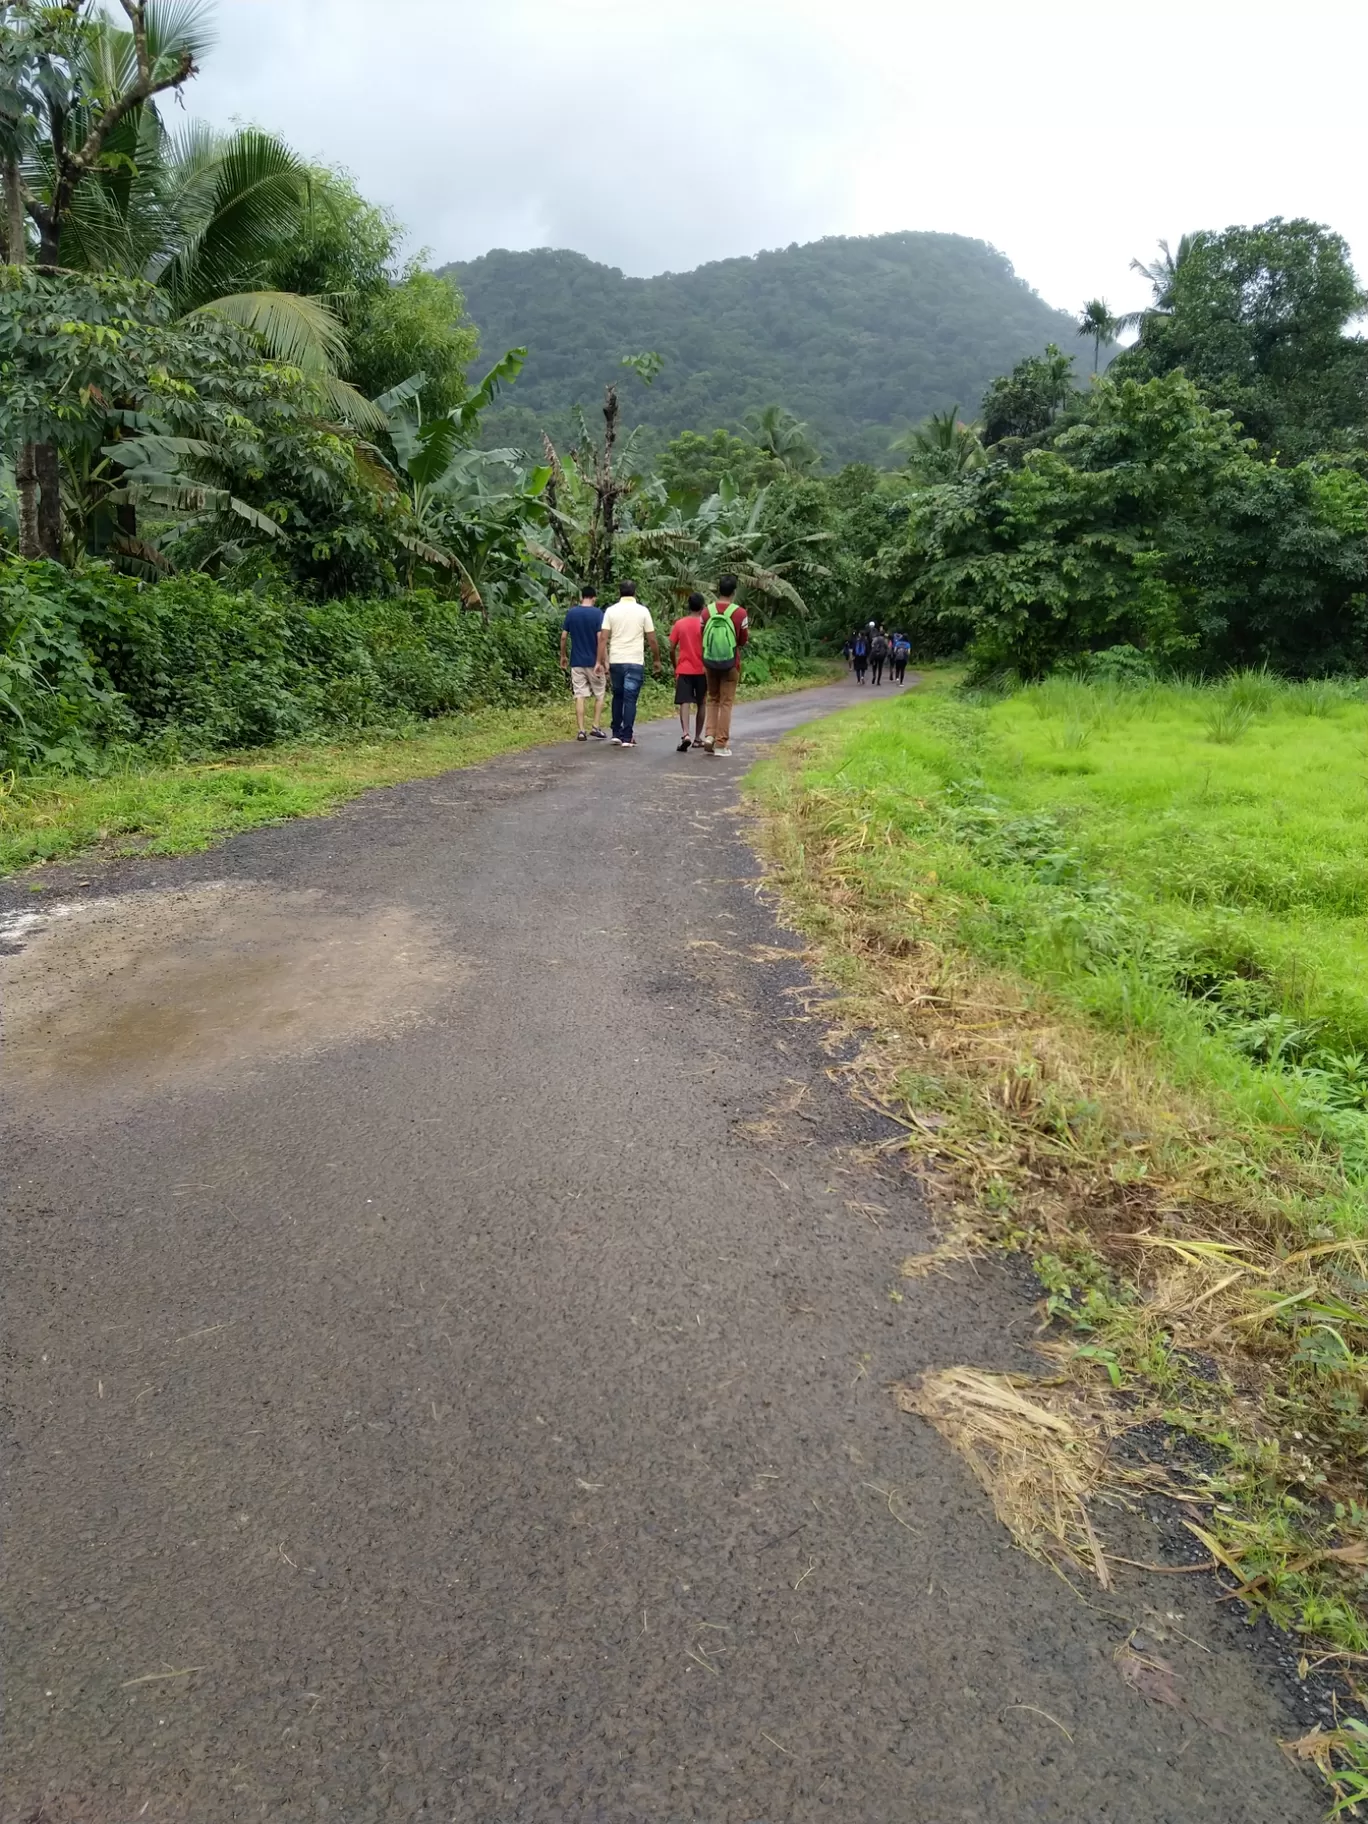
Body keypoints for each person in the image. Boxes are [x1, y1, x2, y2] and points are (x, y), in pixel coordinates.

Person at [595, 579, 660, 747]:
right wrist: (656, 659)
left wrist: (599, 661)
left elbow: (603, 637)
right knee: (630, 699)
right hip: (635, 661)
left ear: (620, 593)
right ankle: (627, 736)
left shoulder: (611, 611)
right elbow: (652, 639)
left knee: (618, 696)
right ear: (635, 592)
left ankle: (616, 733)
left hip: (616, 660)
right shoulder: (643, 611)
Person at [700, 573, 749, 757]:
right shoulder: (740, 613)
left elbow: (702, 634)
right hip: (731, 663)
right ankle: (721, 744)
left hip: (710, 662)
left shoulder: (707, 612)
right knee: (726, 703)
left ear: (718, 590)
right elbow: (743, 640)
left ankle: (709, 736)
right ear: (734, 592)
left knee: (712, 699)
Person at [559, 586, 607, 740]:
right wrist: (603, 661)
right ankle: (595, 726)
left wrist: (563, 656)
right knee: (599, 694)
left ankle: (581, 730)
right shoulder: (598, 614)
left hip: (577, 662)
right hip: (594, 662)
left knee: (580, 695)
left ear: (582, 597)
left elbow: (564, 637)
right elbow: (601, 639)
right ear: (594, 597)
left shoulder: (572, 613)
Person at [669, 592, 708, 751]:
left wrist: (675, 665)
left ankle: (686, 734)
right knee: (701, 702)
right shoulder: (705, 624)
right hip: (702, 669)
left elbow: (671, 648)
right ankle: (698, 738)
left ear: (688, 606)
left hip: (684, 669)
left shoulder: (680, 624)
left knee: (684, 702)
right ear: (703, 607)